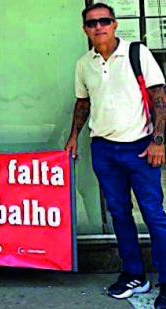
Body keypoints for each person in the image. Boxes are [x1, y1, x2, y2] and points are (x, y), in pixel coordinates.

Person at [65, 3, 166, 309]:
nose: (99, 27)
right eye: (92, 23)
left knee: (153, 216)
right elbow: (83, 103)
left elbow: (159, 98)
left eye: (105, 21)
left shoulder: (137, 53)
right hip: (105, 150)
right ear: (85, 29)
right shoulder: (85, 64)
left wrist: (159, 141)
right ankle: (135, 274)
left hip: (140, 148)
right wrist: (73, 138)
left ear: (115, 24)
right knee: (119, 214)